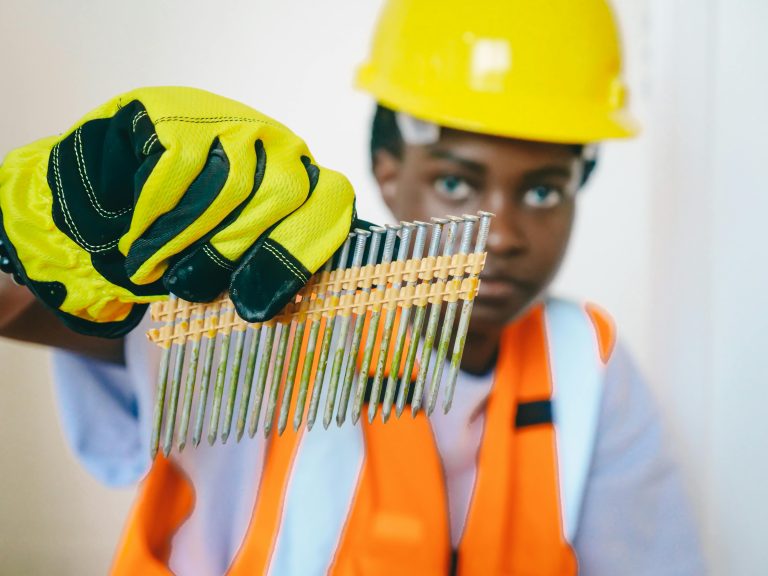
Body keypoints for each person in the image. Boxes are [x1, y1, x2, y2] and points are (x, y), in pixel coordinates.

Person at [0, 0, 705, 574]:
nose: (504, 231)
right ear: (387, 170)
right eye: (456, 182)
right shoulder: (255, 304)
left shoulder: (588, 362)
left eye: (545, 191)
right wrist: (34, 222)